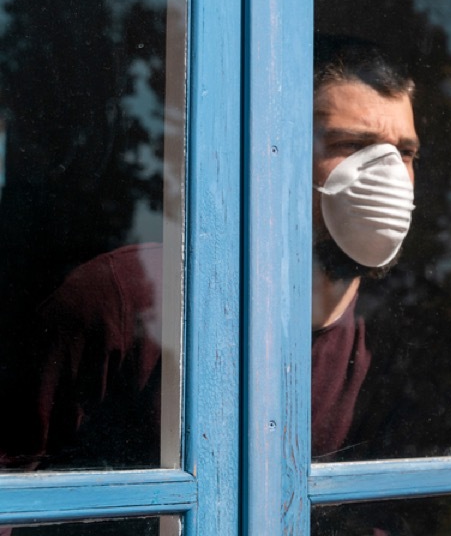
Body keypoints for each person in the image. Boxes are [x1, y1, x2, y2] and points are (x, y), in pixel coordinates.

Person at [0, 36, 419, 471]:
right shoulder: (121, 301)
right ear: (276, 153)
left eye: (405, 152)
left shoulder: (391, 347)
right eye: (352, 145)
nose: (389, 175)